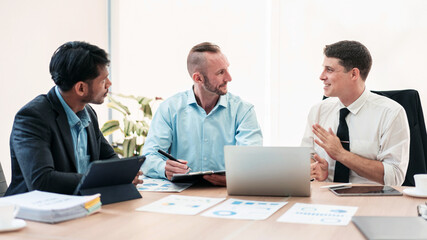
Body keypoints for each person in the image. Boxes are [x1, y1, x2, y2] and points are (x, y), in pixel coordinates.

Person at [5, 41, 143, 196]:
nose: (109, 84)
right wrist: (103, 179)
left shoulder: (88, 112)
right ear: (81, 88)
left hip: (79, 206)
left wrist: (124, 174)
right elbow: (42, 181)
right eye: (103, 80)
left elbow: (109, 158)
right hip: (32, 214)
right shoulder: (32, 118)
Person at [141, 42, 263, 186]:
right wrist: (164, 168)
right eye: (220, 72)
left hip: (226, 194)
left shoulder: (243, 110)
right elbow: (149, 158)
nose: (229, 78)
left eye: (227, 69)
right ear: (198, 78)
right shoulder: (169, 108)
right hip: (181, 196)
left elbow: (252, 160)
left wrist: (235, 177)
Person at [302, 40, 410, 185]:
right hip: (325, 197)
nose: (321, 76)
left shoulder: (391, 113)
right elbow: (306, 158)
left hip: (371, 200)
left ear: (354, 74)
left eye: (329, 70)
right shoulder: (318, 110)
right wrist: (314, 170)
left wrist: (341, 154)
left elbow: (395, 177)